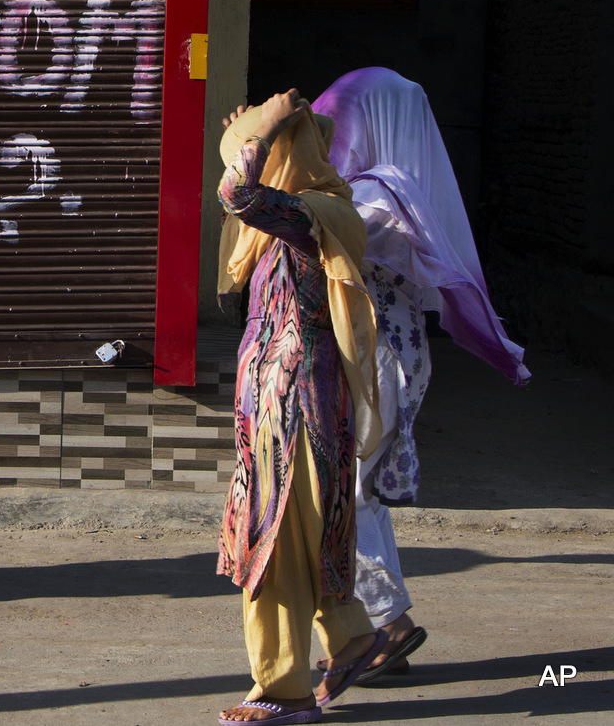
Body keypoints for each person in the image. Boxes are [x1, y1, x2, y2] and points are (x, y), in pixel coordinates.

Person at [311, 67, 530, 679]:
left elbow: (310, 234)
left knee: (345, 491)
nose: (333, 133)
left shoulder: (378, 196)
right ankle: (372, 635)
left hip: (376, 357)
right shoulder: (391, 189)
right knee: (353, 489)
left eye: (341, 120)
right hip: (385, 353)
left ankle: (387, 626)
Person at [214, 90, 388, 725]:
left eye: (257, 156)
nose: (237, 165)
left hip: (292, 412)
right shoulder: (292, 222)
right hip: (284, 404)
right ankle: (352, 637)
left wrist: (264, 129)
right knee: (309, 530)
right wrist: (255, 134)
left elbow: (238, 195)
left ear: (282, 160)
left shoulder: (312, 214)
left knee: (279, 537)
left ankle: (282, 690)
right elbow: (239, 187)